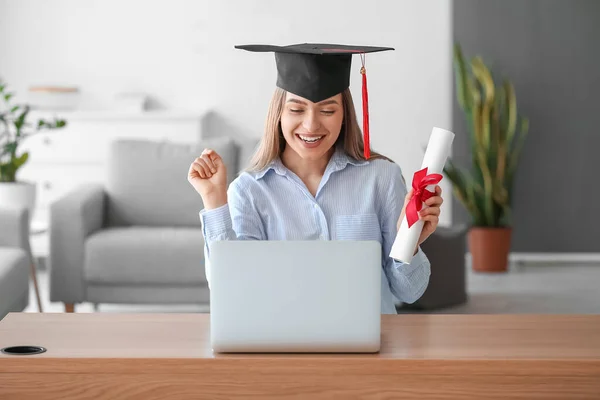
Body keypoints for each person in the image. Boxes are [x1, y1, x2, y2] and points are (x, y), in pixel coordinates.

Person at [187, 43, 444, 314]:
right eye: (297, 110)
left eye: (328, 110)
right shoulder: (249, 191)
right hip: (285, 346)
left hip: (370, 347)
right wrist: (214, 200)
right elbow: (234, 290)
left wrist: (410, 244)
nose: (311, 125)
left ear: (345, 115)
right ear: (279, 115)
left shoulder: (381, 178)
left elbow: (409, 292)